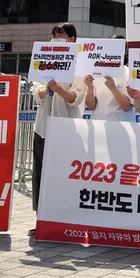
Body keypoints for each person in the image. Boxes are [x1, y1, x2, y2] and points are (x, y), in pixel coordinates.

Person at [29, 23, 86, 236]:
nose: (56, 38)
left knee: (63, 174)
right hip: (43, 127)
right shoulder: (44, 59)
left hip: (67, 129)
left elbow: (76, 98)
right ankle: (42, 218)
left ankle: (64, 219)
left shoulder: (79, 66)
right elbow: (36, 92)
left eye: (60, 35)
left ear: (72, 39)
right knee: (41, 173)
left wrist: (59, 89)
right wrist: (46, 90)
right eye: (53, 35)